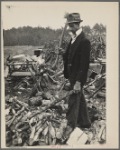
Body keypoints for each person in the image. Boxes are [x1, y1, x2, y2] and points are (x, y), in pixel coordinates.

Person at [62, 13, 91, 136]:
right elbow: (70, 56)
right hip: (72, 75)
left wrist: (79, 82)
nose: (68, 28)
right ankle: (85, 122)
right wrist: (62, 53)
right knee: (80, 98)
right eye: (68, 25)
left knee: (73, 100)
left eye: (70, 25)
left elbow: (84, 65)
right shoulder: (73, 39)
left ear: (76, 25)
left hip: (78, 77)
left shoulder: (84, 41)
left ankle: (70, 124)